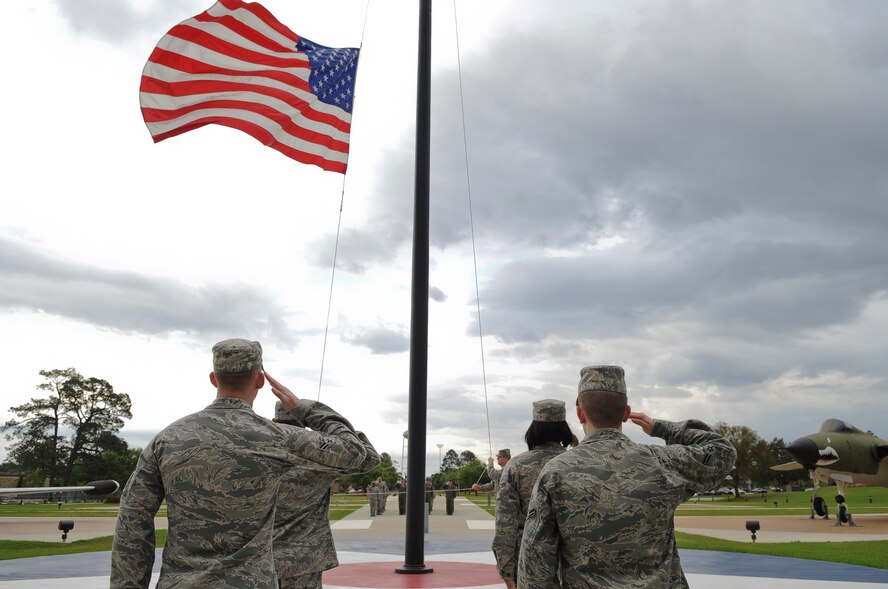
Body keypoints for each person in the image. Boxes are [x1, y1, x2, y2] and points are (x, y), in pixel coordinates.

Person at [110, 339, 373, 589]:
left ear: (214, 379)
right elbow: (355, 452)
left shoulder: (167, 439)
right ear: (260, 380)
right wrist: (305, 409)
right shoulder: (278, 438)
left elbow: (132, 522)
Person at [518, 365, 737, 589]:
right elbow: (722, 451)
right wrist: (663, 429)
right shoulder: (661, 462)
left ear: (580, 413)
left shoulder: (556, 472)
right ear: (626, 413)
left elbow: (536, 562)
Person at [272, 401, 380, 589]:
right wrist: (330, 427)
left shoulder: (258, 451)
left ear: (274, 421)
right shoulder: (319, 459)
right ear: (304, 426)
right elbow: (368, 458)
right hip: (304, 559)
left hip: (258, 559)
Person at [493, 399, 572, 589]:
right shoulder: (578, 463)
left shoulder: (516, 466)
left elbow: (505, 525)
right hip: (574, 565)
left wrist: (507, 571)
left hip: (530, 565)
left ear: (534, 428)